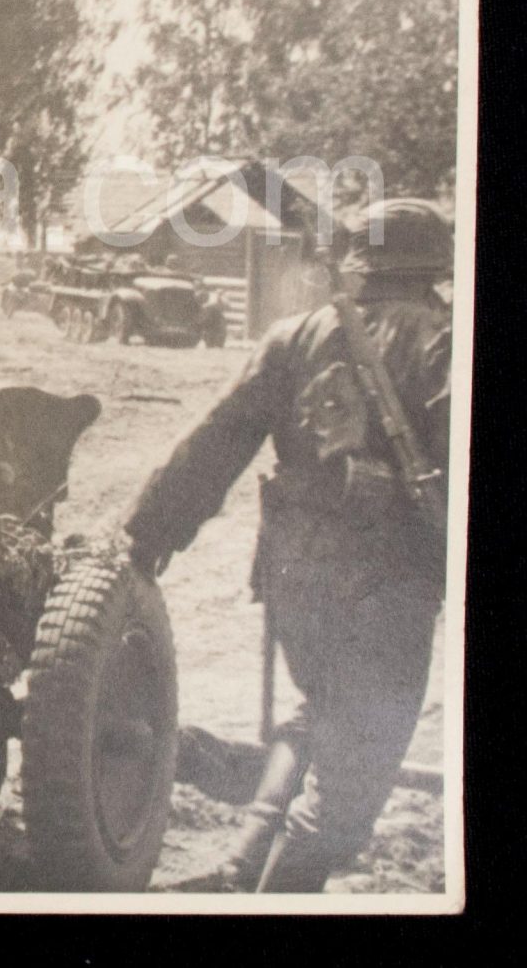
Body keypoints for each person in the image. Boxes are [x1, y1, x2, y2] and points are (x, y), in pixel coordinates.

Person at [124, 198, 453, 893]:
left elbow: (214, 444)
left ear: (360, 263)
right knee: (348, 795)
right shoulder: (445, 343)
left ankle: (244, 864)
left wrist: (149, 532)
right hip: (387, 589)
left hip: (294, 582)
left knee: (323, 713)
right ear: (433, 267)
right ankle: (277, 900)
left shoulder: (294, 335)